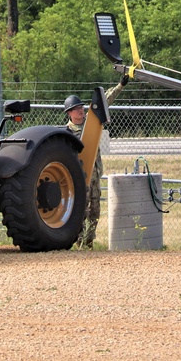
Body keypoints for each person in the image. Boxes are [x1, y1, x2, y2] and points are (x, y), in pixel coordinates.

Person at [64, 74, 128, 248]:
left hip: (95, 176)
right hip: (79, 179)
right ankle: (79, 243)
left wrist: (120, 85)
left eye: (81, 107)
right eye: (76, 109)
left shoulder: (91, 123)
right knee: (80, 211)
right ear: (69, 113)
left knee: (95, 210)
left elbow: (104, 100)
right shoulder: (66, 133)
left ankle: (89, 243)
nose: (80, 110)